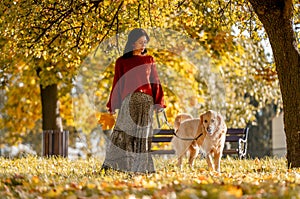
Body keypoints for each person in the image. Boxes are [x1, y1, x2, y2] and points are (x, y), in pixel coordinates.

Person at [101, 28, 166, 173]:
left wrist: (159, 102)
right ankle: (114, 167)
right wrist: (112, 105)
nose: (143, 45)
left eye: (145, 42)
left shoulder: (149, 60)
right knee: (122, 135)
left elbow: (155, 81)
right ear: (132, 43)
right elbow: (117, 83)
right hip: (128, 103)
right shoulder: (121, 62)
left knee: (143, 137)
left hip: (146, 103)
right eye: (140, 42)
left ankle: (142, 169)